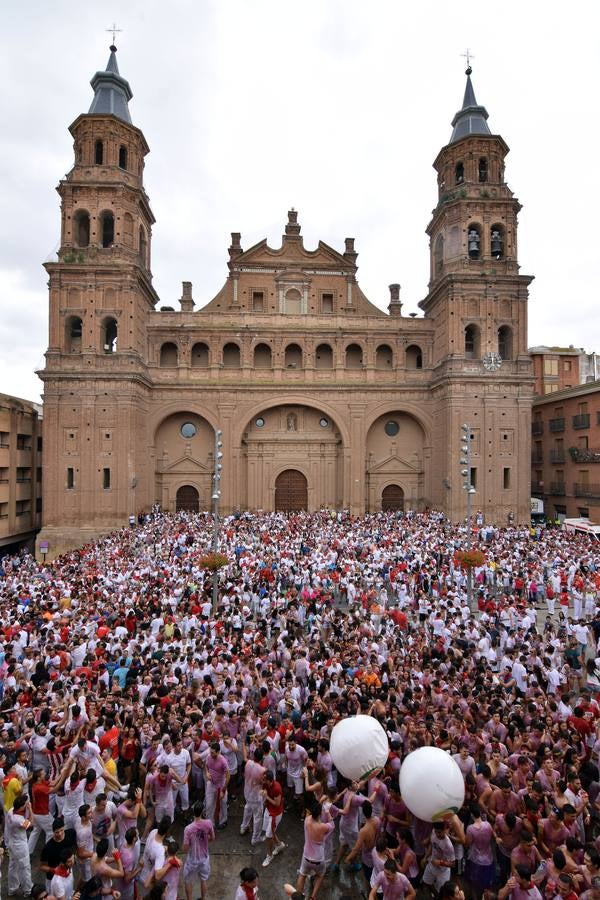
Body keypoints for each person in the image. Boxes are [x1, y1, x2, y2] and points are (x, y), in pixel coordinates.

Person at [296, 801, 334, 900]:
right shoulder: (323, 827)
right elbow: (332, 824)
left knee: (302, 874)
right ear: (320, 813)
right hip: (318, 860)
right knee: (320, 875)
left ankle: (298, 897)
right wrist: (327, 811)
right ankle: (313, 897)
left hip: (306, 856)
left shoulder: (307, 820)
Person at [182, 801, 215, 900]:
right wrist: (204, 839)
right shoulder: (208, 823)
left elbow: (185, 848)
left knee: (188, 881)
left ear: (193, 812)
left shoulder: (188, 829)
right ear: (202, 812)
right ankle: (203, 898)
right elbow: (212, 838)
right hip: (204, 858)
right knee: (203, 880)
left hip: (192, 860)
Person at [6, 793, 33, 896]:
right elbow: (32, 821)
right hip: (20, 846)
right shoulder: (19, 820)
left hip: (12, 843)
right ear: (21, 807)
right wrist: (30, 809)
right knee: (25, 868)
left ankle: (12, 889)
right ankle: (28, 890)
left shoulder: (10, 811)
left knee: (13, 866)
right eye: (25, 804)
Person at [240, 743, 266, 845]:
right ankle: (255, 838)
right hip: (256, 796)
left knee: (247, 808)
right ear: (262, 758)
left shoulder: (248, 763)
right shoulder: (262, 770)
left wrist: (243, 745)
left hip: (247, 792)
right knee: (257, 817)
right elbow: (264, 783)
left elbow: (245, 757)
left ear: (254, 756)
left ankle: (243, 827)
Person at [261, 769, 286, 867]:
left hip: (275, 814)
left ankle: (269, 855)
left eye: (264, 779)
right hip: (268, 810)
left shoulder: (277, 788)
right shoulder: (265, 784)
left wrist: (266, 797)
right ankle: (279, 845)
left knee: (268, 836)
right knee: (270, 832)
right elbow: (265, 792)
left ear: (270, 780)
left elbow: (277, 803)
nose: (262, 780)